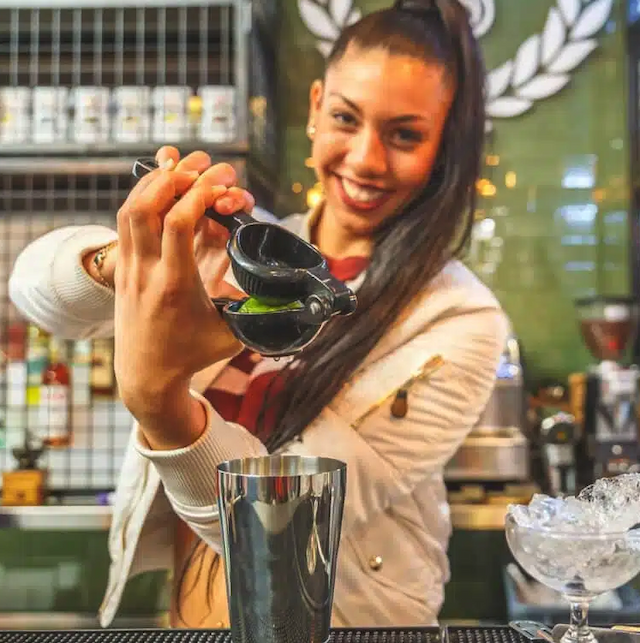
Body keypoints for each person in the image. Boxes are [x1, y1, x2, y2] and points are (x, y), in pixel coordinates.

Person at [9, 0, 509, 629]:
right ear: (316, 106)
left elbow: (287, 517)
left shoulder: (456, 319)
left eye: (404, 134)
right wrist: (128, 259)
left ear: (446, 145)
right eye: (345, 119)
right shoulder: (245, 245)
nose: (364, 159)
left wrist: (162, 400)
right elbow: (32, 286)